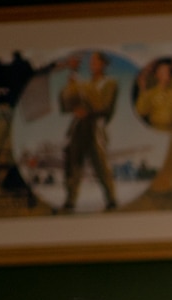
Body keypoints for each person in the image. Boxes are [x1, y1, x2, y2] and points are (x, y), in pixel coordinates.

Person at [59, 50, 118, 212]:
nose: (92, 65)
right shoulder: (84, 83)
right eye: (91, 62)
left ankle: (111, 199)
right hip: (79, 127)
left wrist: (88, 111)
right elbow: (69, 103)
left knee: (100, 165)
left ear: (103, 64)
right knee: (74, 165)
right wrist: (71, 91)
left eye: (96, 61)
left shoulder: (109, 83)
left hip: (95, 127)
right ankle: (70, 200)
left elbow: (106, 107)